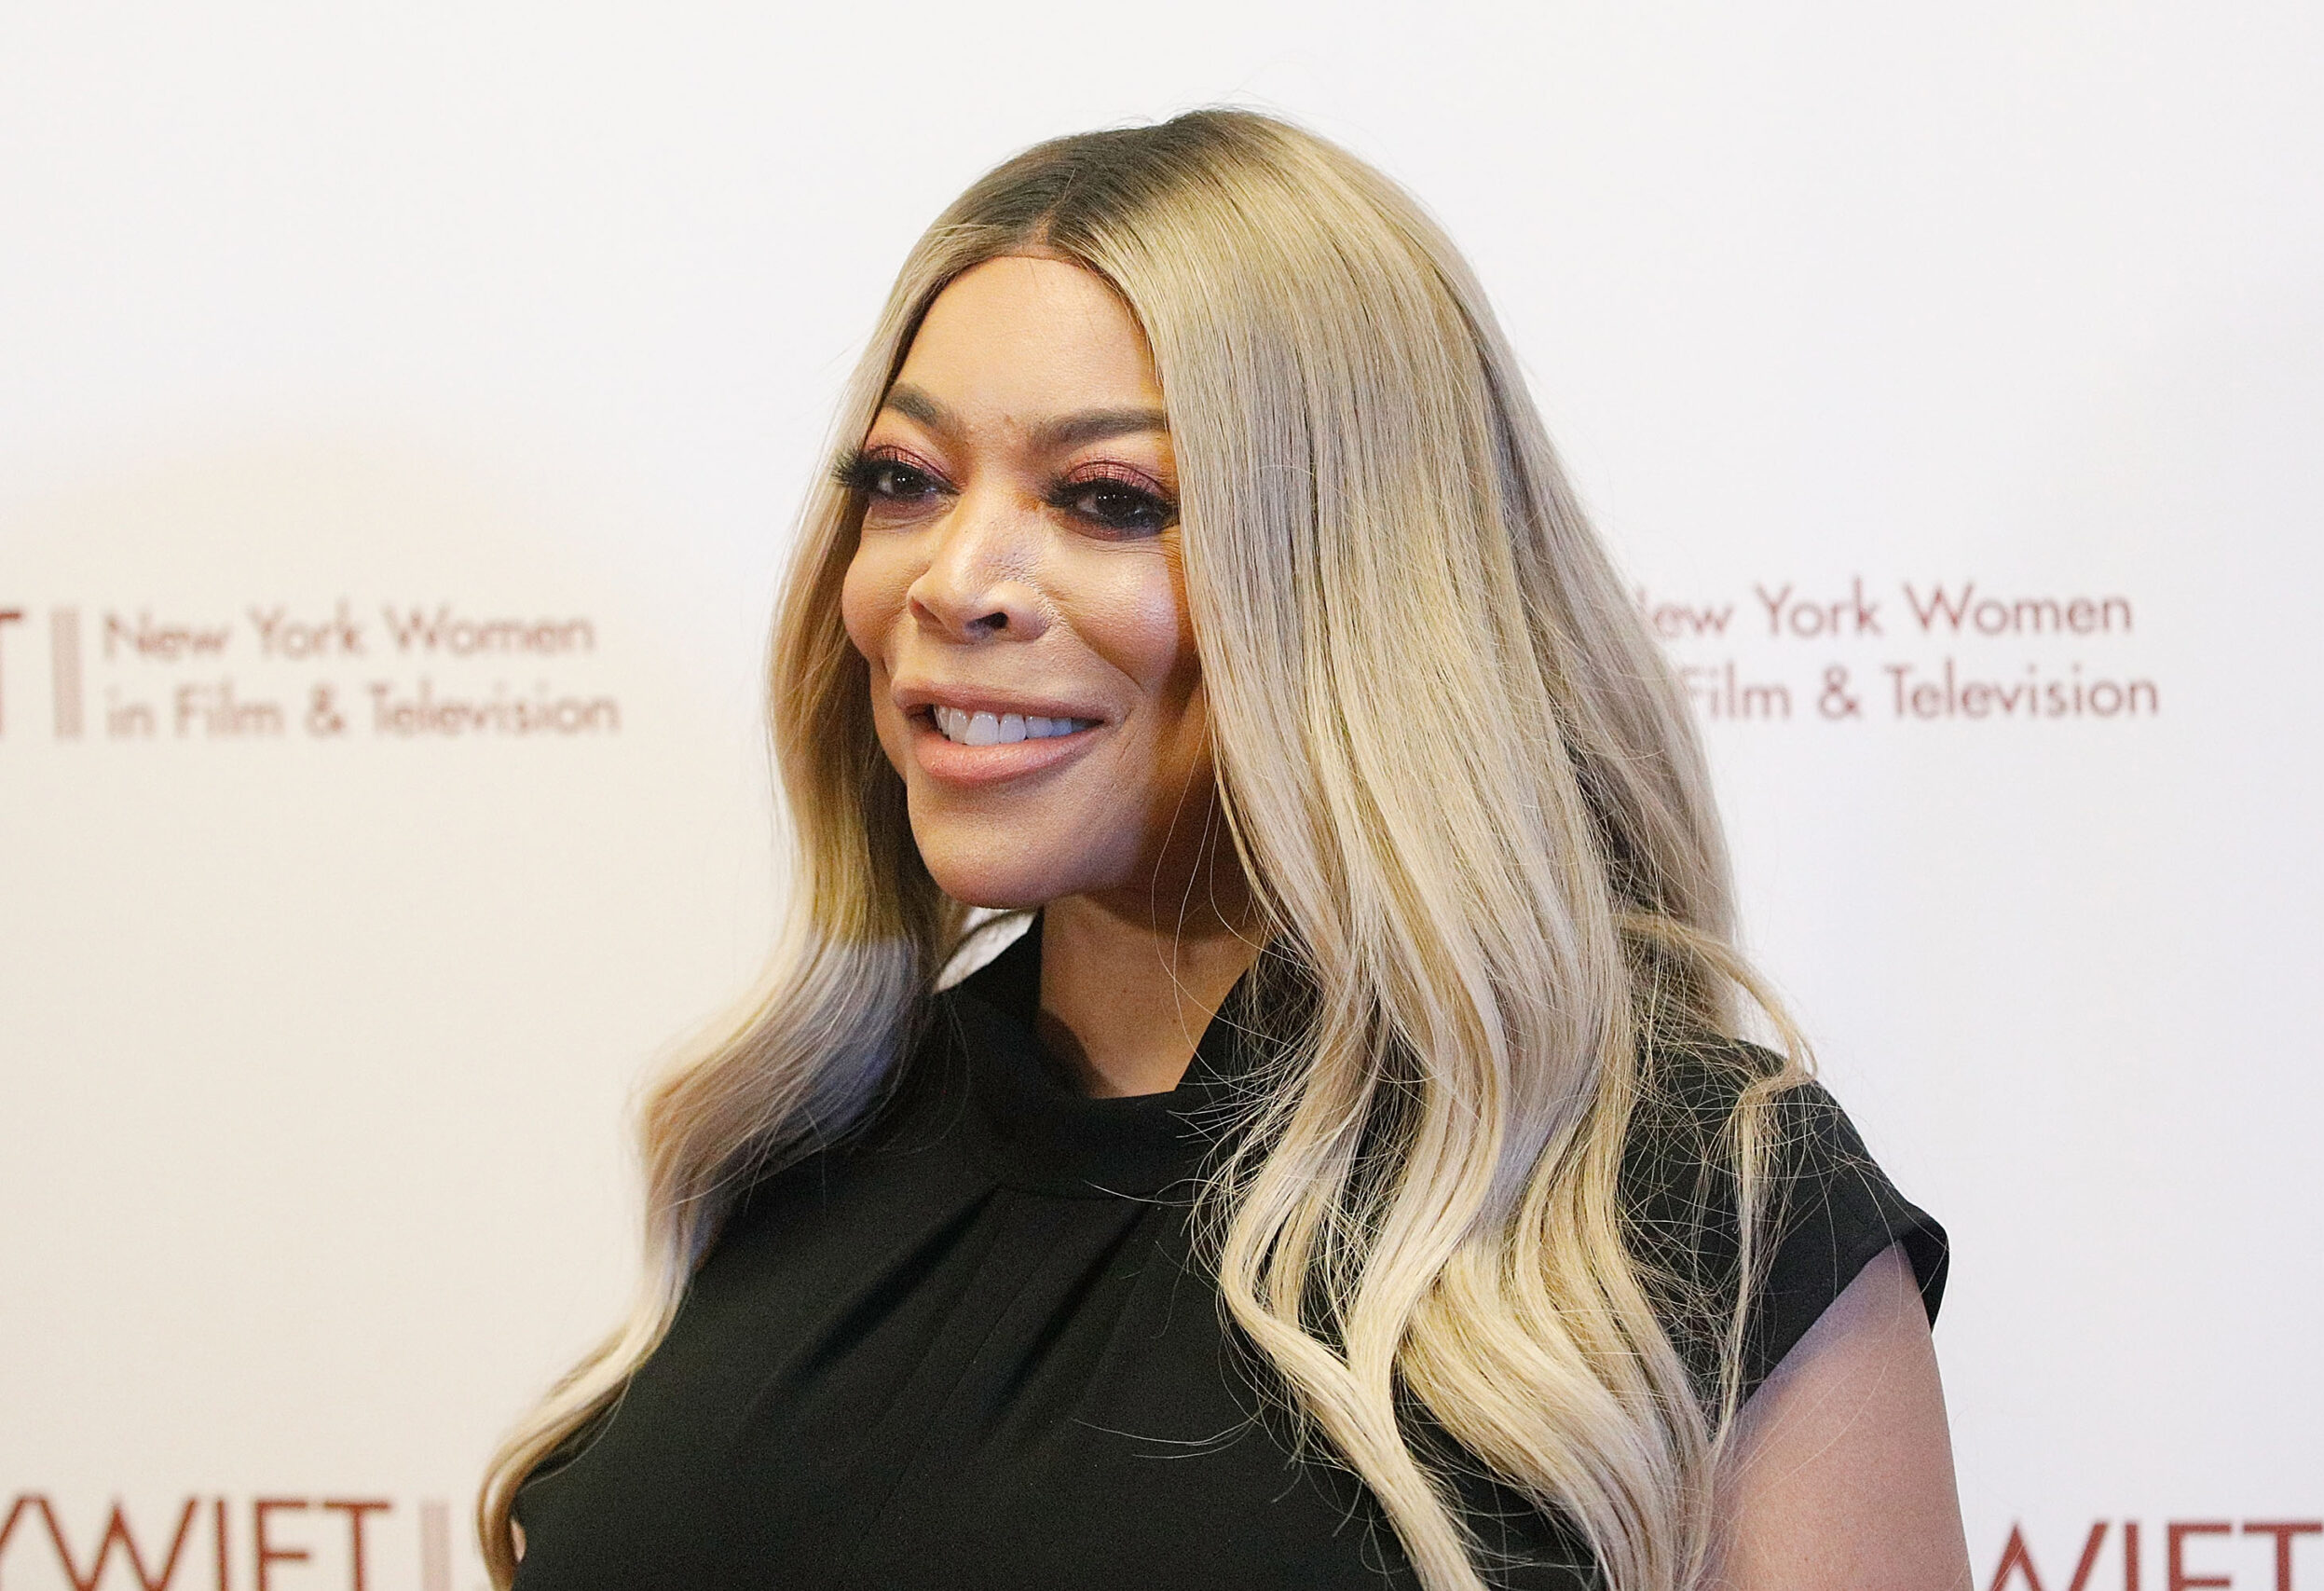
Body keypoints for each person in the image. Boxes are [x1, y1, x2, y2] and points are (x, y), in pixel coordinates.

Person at [481, 109, 1965, 1590]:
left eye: (1108, 500)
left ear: (1359, 580)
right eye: (907, 479)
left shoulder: (1690, 1207)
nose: (954, 579)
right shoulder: (801, 1154)